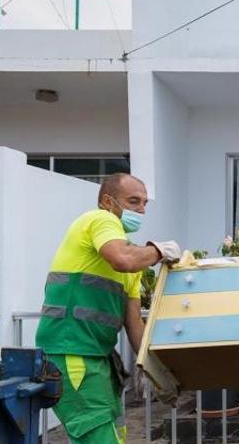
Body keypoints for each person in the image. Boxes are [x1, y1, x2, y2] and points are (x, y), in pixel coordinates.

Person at [35, 173, 182, 444]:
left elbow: (135, 325)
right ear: (108, 201)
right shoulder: (100, 220)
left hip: (99, 359)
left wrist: (159, 373)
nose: (141, 209)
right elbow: (122, 259)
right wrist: (159, 251)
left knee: (116, 435)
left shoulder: (132, 259)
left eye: (145, 203)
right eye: (133, 201)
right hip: (72, 353)